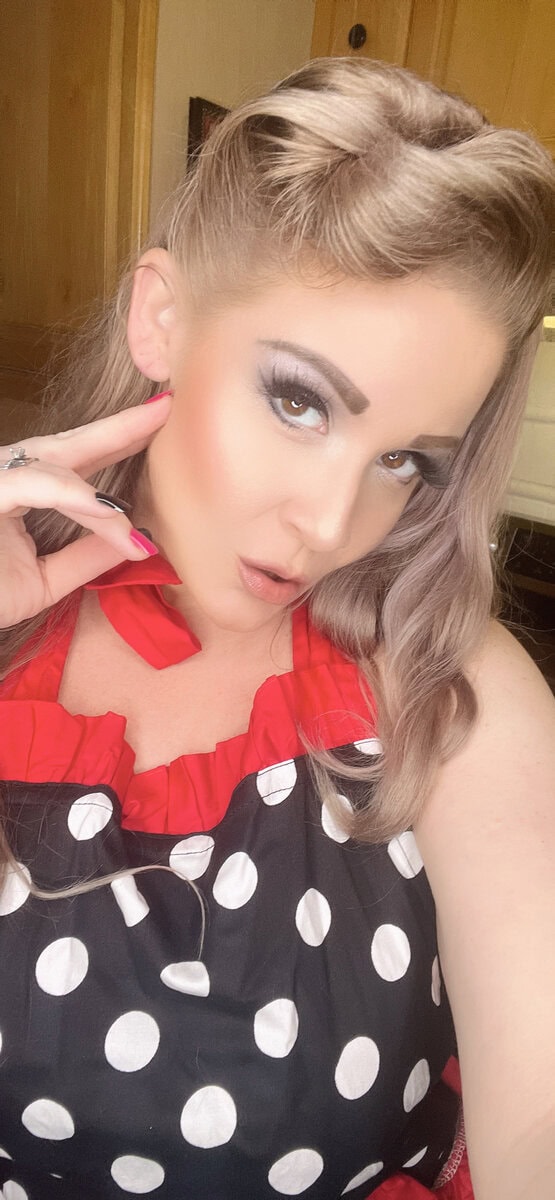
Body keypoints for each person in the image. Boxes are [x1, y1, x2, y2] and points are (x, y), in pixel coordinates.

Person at [0, 56, 553, 1200]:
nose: (333, 525)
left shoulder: (451, 692)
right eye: (299, 401)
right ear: (162, 318)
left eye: (407, 462)